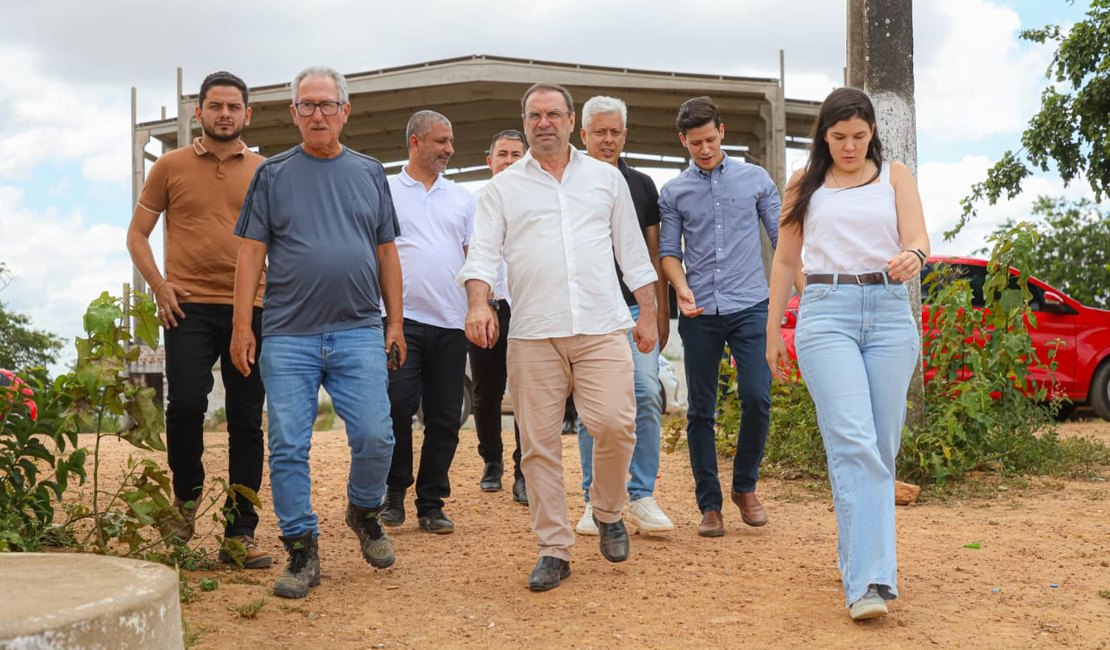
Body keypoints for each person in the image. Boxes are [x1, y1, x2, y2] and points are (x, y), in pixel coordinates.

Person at [458, 82, 658, 592]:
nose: (543, 122)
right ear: (525, 123)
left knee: (616, 424)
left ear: (572, 121)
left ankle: (609, 510)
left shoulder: (604, 179)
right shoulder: (501, 190)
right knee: (539, 445)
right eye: (533, 115)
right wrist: (479, 303)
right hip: (533, 333)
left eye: (553, 114)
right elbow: (481, 254)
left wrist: (650, 313)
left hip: (601, 325)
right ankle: (554, 548)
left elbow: (633, 251)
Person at [231, 65, 405, 599]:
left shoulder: (370, 172)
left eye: (327, 104)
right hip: (288, 334)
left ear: (345, 110)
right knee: (287, 444)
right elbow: (251, 252)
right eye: (306, 105)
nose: (317, 114)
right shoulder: (273, 174)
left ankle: (363, 510)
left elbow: (386, 251)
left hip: (357, 329)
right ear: (293, 114)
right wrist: (242, 325)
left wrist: (394, 321)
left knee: (378, 436)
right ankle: (301, 548)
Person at [765, 87, 927, 621]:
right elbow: (786, 264)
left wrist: (912, 256)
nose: (850, 146)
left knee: (879, 449)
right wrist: (773, 334)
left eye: (859, 136)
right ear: (824, 136)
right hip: (826, 313)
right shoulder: (803, 185)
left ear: (872, 132)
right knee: (854, 442)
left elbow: (919, 238)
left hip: (887, 312)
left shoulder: (895, 176)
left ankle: (857, 560)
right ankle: (869, 583)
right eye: (839, 138)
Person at [126, 70, 270, 569]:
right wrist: (160, 286)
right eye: (215, 106)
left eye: (233, 107)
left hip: (251, 308)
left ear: (247, 114)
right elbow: (137, 235)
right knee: (186, 404)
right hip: (186, 306)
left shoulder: (265, 170)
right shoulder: (169, 165)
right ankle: (185, 507)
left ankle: (240, 532)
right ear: (199, 113)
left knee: (247, 418)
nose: (224, 114)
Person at [659, 96, 779, 537]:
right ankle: (709, 505)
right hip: (700, 311)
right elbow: (669, 253)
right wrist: (680, 286)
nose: (704, 149)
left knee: (757, 397)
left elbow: (782, 238)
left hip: (750, 305)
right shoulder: (674, 192)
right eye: (695, 143)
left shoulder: (756, 179)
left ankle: (745, 486)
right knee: (700, 410)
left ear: (722, 132)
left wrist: (802, 292)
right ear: (683, 141)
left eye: (710, 139)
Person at [574, 96, 673, 536]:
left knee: (646, 391)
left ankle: (640, 494)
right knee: (590, 408)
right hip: (590, 312)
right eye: (600, 132)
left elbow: (653, 254)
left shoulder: (642, 186)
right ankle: (594, 498)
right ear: (583, 136)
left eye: (615, 132)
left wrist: (658, 313)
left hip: (634, 308)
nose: (608, 139)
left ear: (624, 135)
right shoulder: (569, 183)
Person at [381, 110, 474, 535]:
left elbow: (475, 257)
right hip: (400, 321)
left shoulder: (462, 198)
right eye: (440, 141)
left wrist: (479, 307)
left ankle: (431, 502)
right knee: (397, 407)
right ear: (415, 143)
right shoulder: (384, 191)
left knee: (444, 416)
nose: (449, 150)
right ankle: (395, 491)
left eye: (450, 142)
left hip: (451, 323)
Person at [469, 129, 528, 504]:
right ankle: (492, 460)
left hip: (527, 307)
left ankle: (525, 469)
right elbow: (470, 254)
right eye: (502, 154)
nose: (508, 160)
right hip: (489, 306)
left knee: (527, 391)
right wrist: (481, 302)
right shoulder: (473, 202)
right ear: (489, 160)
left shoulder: (538, 201)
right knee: (486, 390)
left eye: (516, 154)